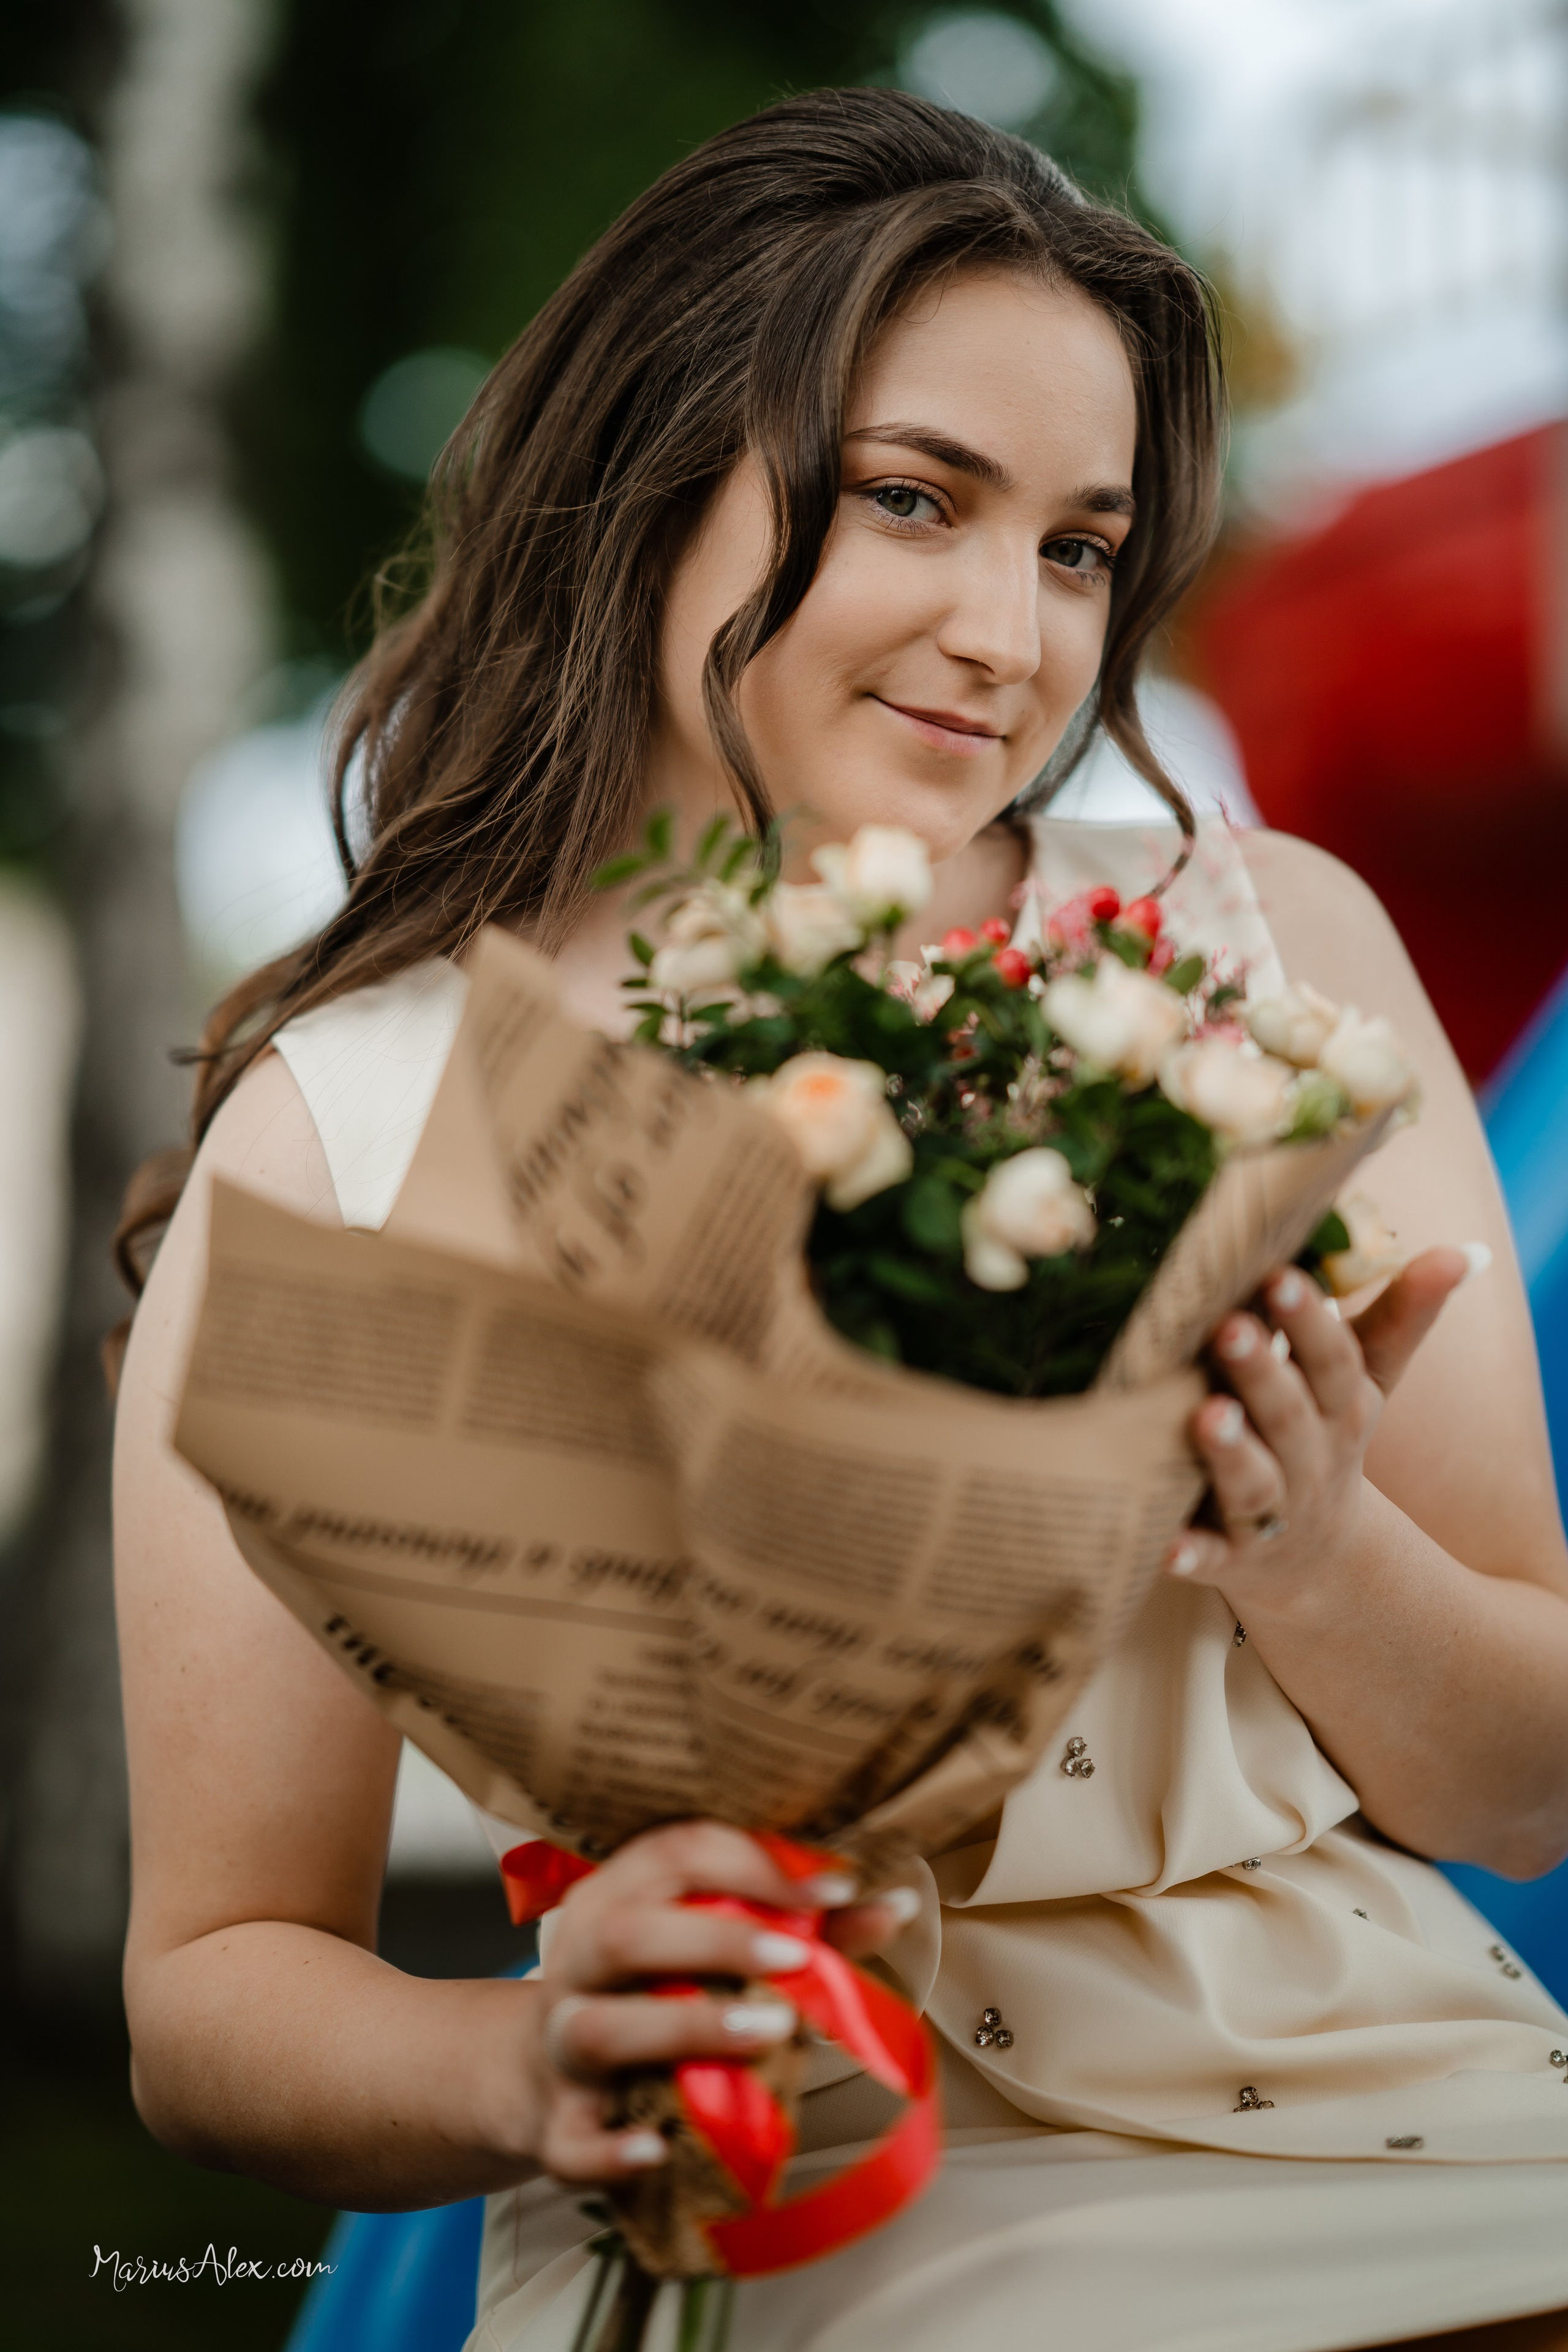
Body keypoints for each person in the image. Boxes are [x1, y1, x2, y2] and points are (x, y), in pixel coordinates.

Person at [113, 89, 1568, 2352]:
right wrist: (536, 2052)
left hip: (1419, 2102)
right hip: (811, 2180)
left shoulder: (1263, 958)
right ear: (652, 475)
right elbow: (212, 1996)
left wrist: (1316, 1542)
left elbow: (1529, 1791)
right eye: (915, 500)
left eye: (1081, 548)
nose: (1010, 632)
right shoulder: (344, 1131)